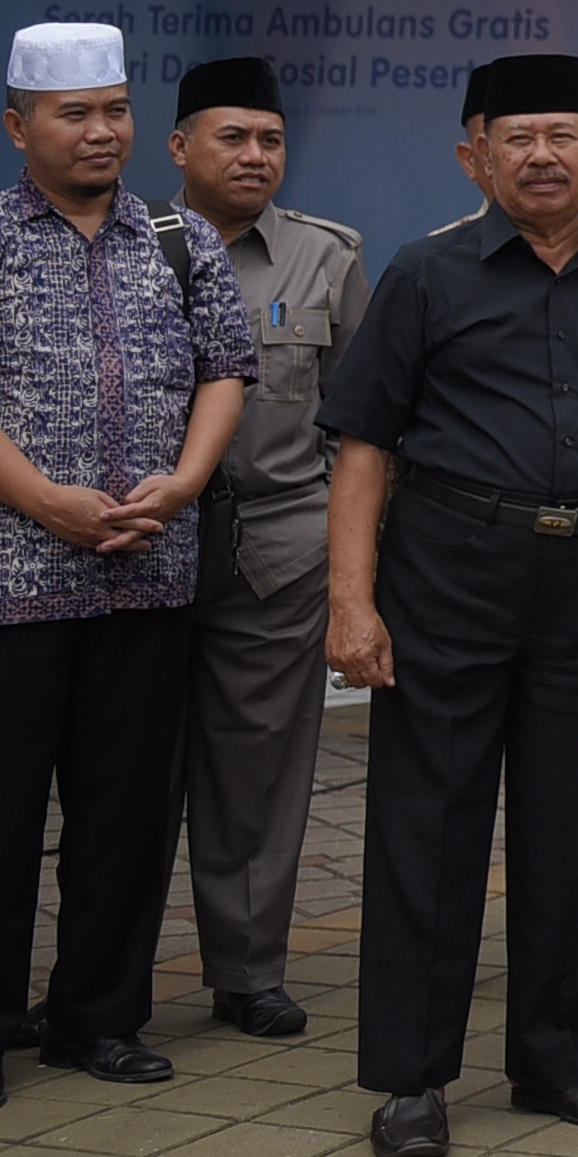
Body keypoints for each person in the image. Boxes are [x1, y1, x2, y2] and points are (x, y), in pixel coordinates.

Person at [323, 53, 578, 1157]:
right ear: (474, 152)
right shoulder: (427, 273)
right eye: (517, 135)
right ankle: (413, 1078)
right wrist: (351, 600)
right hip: (450, 569)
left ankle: (556, 1059)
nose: (542, 153)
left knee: (566, 822)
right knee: (431, 823)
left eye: (564, 132)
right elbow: (364, 444)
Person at [0, 23, 255, 1116]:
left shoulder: (179, 237)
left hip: (147, 579)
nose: (101, 131)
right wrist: (42, 498)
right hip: (0, 584)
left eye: (114, 110)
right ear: (19, 125)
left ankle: (101, 1015)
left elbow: (227, 369)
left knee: (127, 813)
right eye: (74, 113)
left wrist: (187, 481)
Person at [167, 55, 368, 1040]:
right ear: (180, 147)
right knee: (121, 770)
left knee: (260, 771)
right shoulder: (124, 246)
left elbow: (360, 424)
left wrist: (343, 568)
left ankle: (248, 971)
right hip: (133, 550)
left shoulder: (327, 258)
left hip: (274, 551)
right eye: (232, 136)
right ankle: (102, 976)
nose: (255, 155)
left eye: (270, 139)